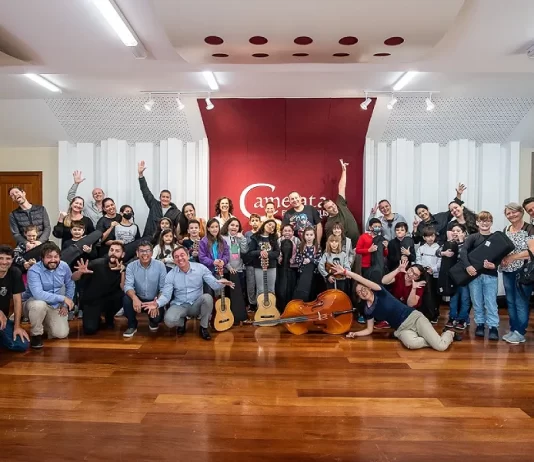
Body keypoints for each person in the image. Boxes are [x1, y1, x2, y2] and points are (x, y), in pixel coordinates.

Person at [331, 264, 457, 351]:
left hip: (414, 318)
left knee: (440, 347)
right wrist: (355, 333)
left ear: (368, 287)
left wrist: (346, 272)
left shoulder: (380, 291)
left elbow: (361, 278)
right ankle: (431, 339)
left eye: (363, 288)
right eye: (359, 292)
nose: (362, 292)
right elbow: (369, 330)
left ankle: (449, 333)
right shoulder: (368, 309)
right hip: (401, 329)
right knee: (411, 345)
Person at [144, 246, 235, 340]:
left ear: (188, 256)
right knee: (169, 321)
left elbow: (214, 284)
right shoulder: (170, 275)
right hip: (180, 304)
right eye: (176, 257)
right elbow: (166, 295)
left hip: (196, 304)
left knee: (207, 298)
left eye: (182, 255)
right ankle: (182, 321)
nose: (180, 258)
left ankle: (203, 327)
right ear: (174, 260)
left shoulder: (200, 268)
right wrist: (157, 303)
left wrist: (223, 283)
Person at [22, 242, 75, 349]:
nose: (53, 260)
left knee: (61, 334)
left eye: (56, 257)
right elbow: (38, 294)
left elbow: (70, 285)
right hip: (33, 303)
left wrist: (65, 304)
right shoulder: (34, 270)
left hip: (54, 305)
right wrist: (63, 298)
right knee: (39, 305)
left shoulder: (64, 266)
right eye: (49, 257)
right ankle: (36, 334)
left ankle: (44, 323)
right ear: (42, 258)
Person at [459, 211, 500, 341]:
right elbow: (463, 252)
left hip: (490, 275)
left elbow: (500, 254)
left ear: (491, 222)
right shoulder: (472, 237)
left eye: (487, 220)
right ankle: (480, 325)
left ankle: (493, 327)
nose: (484, 223)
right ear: (477, 222)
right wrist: (468, 266)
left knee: (491, 302)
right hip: (474, 275)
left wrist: (495, 265)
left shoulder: (496, 238)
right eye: (482, 220)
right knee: (477, 302)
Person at [71, 242, 126, 335]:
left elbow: (123, 287)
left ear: (122, 254)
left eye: (117, 251)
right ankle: (97, 317)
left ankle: (109, 317)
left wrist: (123, 271)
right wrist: (80, 272)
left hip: (109, 300)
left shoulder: (124, 268)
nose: (113, 253)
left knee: (123, 296)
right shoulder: (96, 263)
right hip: (92, 301)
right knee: (89, 330)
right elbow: (73, 278)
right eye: (111, 250)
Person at [500, 203, 534, 344]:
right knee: (511, 301)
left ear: (521, 212)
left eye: (514, 212)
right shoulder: (506, 229)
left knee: (521, 302)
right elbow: (502, 248)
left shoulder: (529, 228)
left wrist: (512, 257)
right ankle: (514, 329)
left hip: (523, 272)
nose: (511, 215)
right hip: (507, 271)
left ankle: (520, 332)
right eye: (508, 213)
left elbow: (532, 251)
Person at [122, 241, 167, 338]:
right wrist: (134, 298)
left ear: (151, 253)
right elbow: (128, 285)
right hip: (138, 300)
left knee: (157, 319)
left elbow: (163, 288)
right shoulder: (131, 266)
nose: (145, 254)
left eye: (147, 251)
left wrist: (156, 303)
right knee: (126, 298)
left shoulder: (160, 265)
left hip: (154, 299)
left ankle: (152, 321)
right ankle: (132, 325)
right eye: (141, 251)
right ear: (137, 253)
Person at [137, 160, 181, 238]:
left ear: (170, 199)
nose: (165, 199)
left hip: (166, 241)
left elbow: (180, 226)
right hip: (150, 238)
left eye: (167, 197)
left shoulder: (176, 212)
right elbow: (145, 191)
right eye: (163, 197)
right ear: (160, 198)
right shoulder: (153, 204)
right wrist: (141, 175)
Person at [322, 159, 360, 243]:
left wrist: (344, 171)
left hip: (358, 246)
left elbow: (342, 187)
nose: (333, 207)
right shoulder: (329, 224)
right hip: (344, 251)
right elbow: (331, 241)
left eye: (333, 204)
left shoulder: (340, 204)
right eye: (330, 207)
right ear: (326, 211)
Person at [380, 260, 427, 328]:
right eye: (411, 270)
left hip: (408, 310)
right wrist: (398, 270)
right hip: (395, 305)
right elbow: (384, 281)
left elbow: (410, 304)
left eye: (415, 274)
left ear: (418, 278)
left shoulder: (419, 285)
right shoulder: (401, 274)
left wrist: (414, 288)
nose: (411, 274)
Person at [0, 245, 30, 352]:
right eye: (1, 258)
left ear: (12, 260)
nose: (4, 262)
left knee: (21, 345)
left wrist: (17, 326)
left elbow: (17, 300)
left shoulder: (15, 272)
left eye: (8, 259)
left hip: (2, 320)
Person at [440, 223, 470, 330]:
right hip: (453, 276)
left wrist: (461, 242)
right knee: (453, 297)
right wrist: (443, 253)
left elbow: (464, 256)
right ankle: (452, 317)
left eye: (458, 231)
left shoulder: (467, 243)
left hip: (465, 276)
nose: (455, 233)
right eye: (453, 231)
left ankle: (462, 319)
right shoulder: (449, 243)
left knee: (465, 298)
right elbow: (437, 251)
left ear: (464, 233)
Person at [247, 219, 280, 302]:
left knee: (271, 289)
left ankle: (271, 308)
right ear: (264, 224)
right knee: (260, 289)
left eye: (273, 227)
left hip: (271, 266)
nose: (270, 227)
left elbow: (277, 252)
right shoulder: (255, 237)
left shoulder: (274, 238)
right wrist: (260, 252)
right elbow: (250, 252)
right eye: (269, 224)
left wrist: (268, 254)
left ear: (273, 231)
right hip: (259, 266)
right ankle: (260, 309)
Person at [276, 224, 300, 311]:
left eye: (289, 231)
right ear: (282, 232)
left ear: (293, 232)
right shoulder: (279, 240)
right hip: (282, 267)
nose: (287, 233)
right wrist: (279, 257)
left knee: (291, 286)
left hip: (293, 268)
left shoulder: (296, 240)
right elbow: (277, 251)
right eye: (285, 231)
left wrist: (293, 259)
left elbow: (299, 251)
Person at [356, 218, 388, 283]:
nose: (377, 228)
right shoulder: (363, 236)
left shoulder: (381, 238)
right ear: (370, 227)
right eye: (375, 226)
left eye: (379, 227)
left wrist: (386, 248)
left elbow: (385, 254)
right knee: (366, 283)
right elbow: (357, 250)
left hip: (377, 266)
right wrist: (369, 250)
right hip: (366, 265)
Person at [294, 226, 322, 302]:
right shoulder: (300, 246)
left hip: (314, 274)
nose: (309, 237)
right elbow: (296, 259)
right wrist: (303, 261)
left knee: (312, 293)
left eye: (311, 235)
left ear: (314, 236)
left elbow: (320, 260)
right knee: (303, 292)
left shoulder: (317, 247)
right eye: (307, 235)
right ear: (304, 236)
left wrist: (311, 260)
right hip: (302, 273)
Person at [244, 214, 262, 310]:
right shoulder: (247, 234)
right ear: (250, 222)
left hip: (260, 263)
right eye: (253, 220)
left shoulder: (262, 233)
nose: (255, 222)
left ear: (260, 222)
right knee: (250, 284)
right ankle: (252, 304)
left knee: (259, 284)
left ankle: (260, 303)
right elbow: (245, 248)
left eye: (256, 220)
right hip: (250, 263)